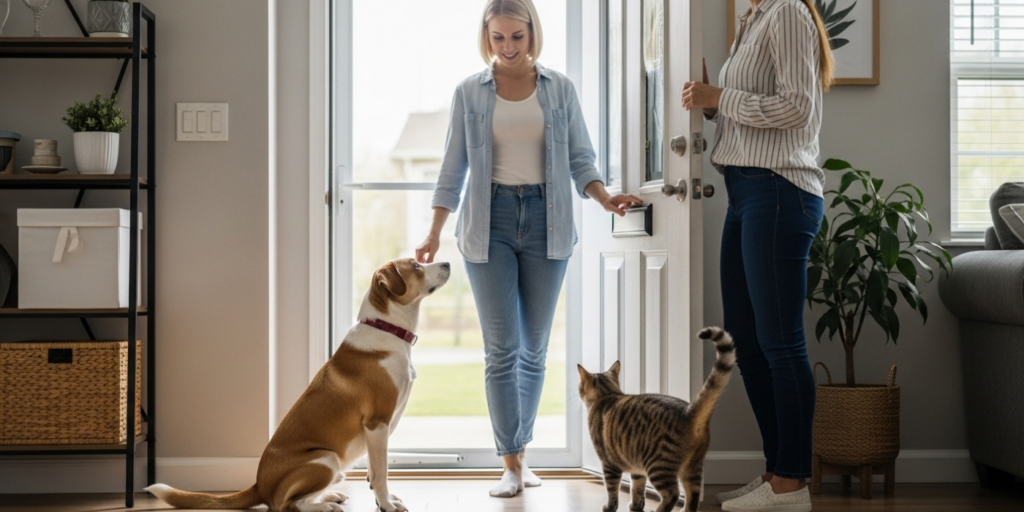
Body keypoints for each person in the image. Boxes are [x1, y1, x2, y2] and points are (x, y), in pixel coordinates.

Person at [415, 0, 642, 499]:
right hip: (488, 222)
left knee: (535, 350)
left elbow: (582, 156)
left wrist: (604, 197)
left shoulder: (558, 88)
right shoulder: (469, 93)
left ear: (532, 34)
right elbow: (452, 170)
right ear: (486, 37)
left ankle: (523, 453)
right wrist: (433, 232)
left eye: (517, 36)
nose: (509, 47)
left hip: (548, 219)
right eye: (498, 38)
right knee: (503, 349)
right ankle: (512, 463)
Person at [682, 0, 834, 511]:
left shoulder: (788, 10)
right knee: (746, 340)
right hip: (747, 190)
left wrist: (721, 97)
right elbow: (756, 103)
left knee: (780, 343)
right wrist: (711, 105)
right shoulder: (754, 17)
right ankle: (776, 474)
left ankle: (792, 483)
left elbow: (798, 108)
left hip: (779, 188)